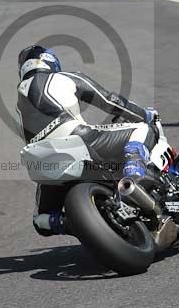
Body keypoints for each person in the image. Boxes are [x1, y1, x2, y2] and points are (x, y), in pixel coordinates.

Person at [15, 45, 158, 236]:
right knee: (142, 130)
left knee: (41, 221)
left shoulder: (18, 105)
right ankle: (133, 180)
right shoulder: (66, 77)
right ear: (51, 61)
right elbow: (109, 101)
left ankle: (71, 223)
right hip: (78, 138)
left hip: (43, 158)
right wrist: (143, 114)